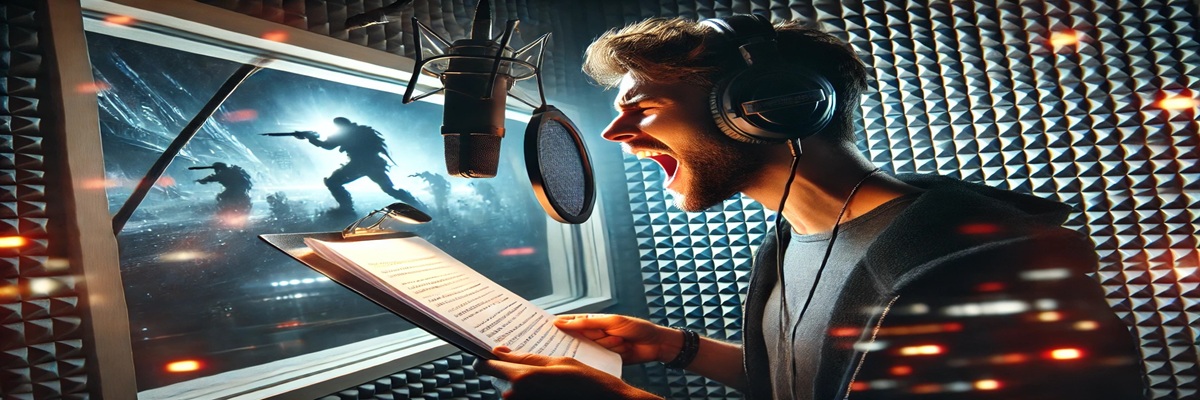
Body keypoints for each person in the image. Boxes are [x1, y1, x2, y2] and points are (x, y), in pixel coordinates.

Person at [474, 15, 1146, 399]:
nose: (615, 137)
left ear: (760, 111)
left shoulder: (976, 265)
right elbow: (836, 379)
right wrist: (678, 349)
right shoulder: (795, 239)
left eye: (640, 109)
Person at [300, 117, 423, 213]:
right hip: (373, 164)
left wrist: (310, 138)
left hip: (359, 165)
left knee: (333, 182)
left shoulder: (346, 133)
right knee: (389, 189)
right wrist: (311, 137)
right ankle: (417, 205)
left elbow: (328, 146)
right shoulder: (362, 131)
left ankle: (346, 209)